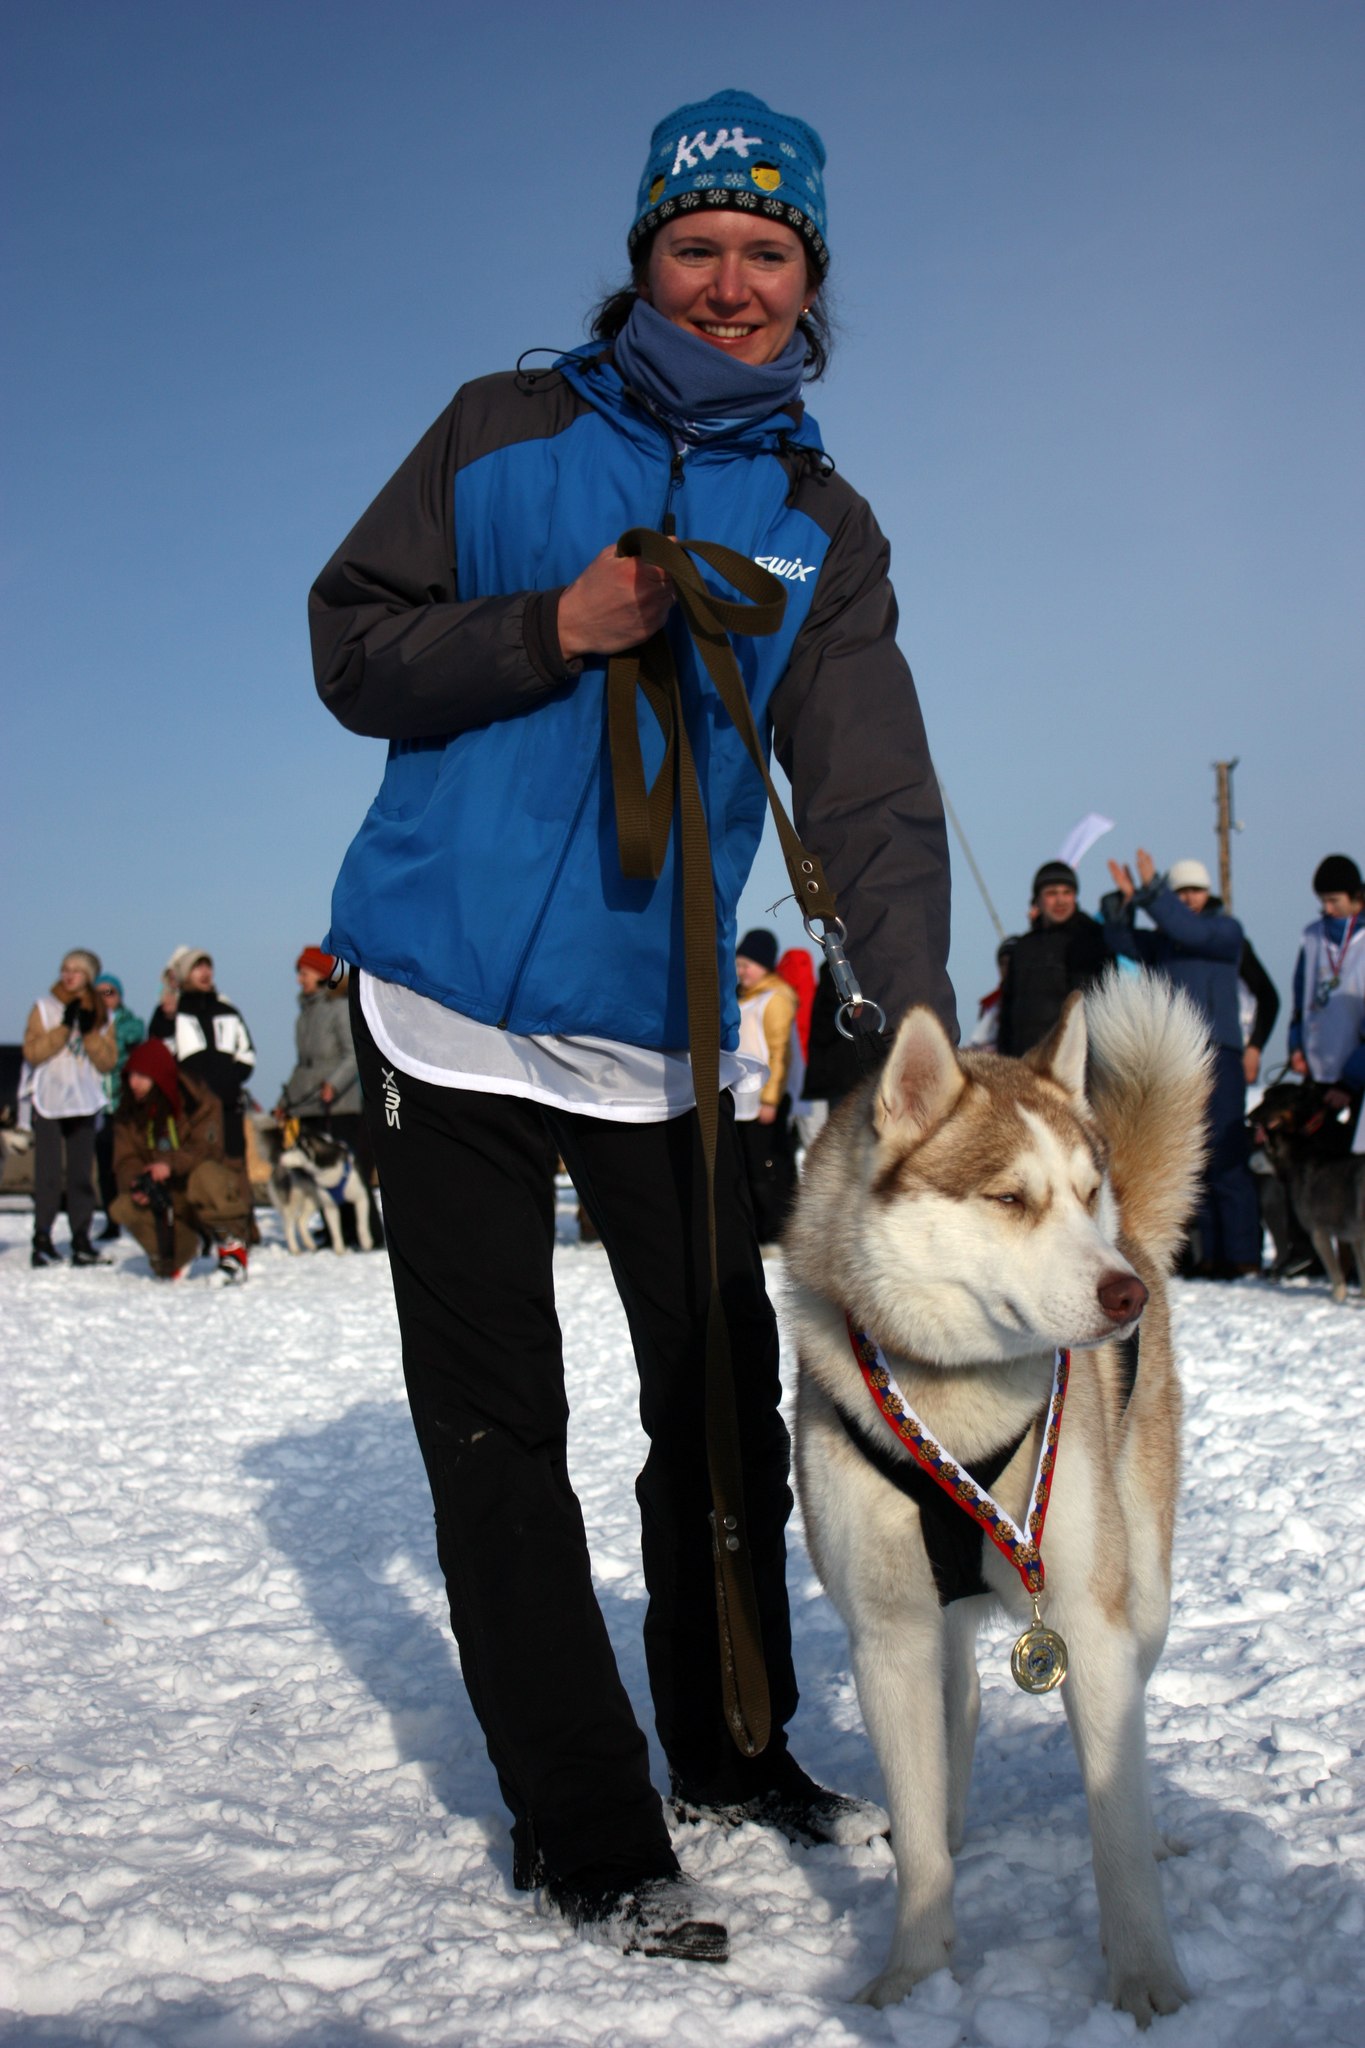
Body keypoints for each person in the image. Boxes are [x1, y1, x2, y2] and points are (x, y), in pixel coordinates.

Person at [308, 88, 953, 1959]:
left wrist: (916, 1032)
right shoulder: (496, 430)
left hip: (651, 1024)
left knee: (720, 1401)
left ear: (808, 277)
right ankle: (584, 1823)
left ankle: (733, 1745)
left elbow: (870, 790)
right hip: (439, 1006)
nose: (731, 283)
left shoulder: (820, 524)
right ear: (643, 257)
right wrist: (549, 629)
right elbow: (351, 645)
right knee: (499, 1422)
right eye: (698, 246)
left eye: (767, 252)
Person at [1104, 850, 1262, 1275]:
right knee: (1194, 1155)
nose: (1189, 898)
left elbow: (1190, 931)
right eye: (1181, 892)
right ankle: (1209, 1254)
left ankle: (1243, 1255)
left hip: (1219, 1051)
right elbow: (1122, 942)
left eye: (1196, 890)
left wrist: (1153, 892)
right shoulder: (1166, 942)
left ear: (1208, 893)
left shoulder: (1225, 931)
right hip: (1179, 1057)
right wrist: (1122, 906)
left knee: (1227, 1154)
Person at [109, 1039, 251, 1281]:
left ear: (159, 1076)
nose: (134, 1083)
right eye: (130, 1076)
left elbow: (207, 1149)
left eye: (142, 1076)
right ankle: (178, 1252)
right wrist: (138, 1182)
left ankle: (233, 1249)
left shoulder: (199, 1101)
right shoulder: (128, 1112)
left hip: (200, 1186)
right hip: (168, 1199)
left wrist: (169, 1164)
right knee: (123, 1206)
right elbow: (125, 1159)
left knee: (206, 1176)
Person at [276, 946, 380, 1247]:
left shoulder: (339, 1009)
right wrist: (285, 1103)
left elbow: (352, 1055)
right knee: (319, 1173)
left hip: (341, 1105)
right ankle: (336, 1231)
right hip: (308, 1106)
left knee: (352, 1173)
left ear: (321, 973)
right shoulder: (304, 1015)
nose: (299, 979)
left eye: (304, 973)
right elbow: (302, 1065)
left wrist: (333, 1085)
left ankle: (368, 1233)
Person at [23, 949, 119, 1268]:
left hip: (84, 1099)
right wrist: (63, 1028)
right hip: (49, 1099)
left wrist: (89, 1032)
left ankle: (81, 1238)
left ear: (88, 977)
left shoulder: (103, 1016)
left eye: (76, 970)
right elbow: (32, 1052)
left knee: (81, 1176)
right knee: (48, 1175)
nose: (68, 975)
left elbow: (107, 1062)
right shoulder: (44, 1008)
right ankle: (42, 1238)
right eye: (65, 969)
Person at [996, 860, 1110, 1057]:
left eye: (1067, 892)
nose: (1060, 900)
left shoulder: (1092, 941)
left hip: (1072, 1059)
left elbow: (1096, 1007)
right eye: (1051, 893)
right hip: (1023, 1059)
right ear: (1038, 900)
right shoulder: (1023, 948)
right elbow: (1007, 1010)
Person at [1287, 854, 1365, 1142]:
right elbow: (1301, 1000)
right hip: (1318, 1073)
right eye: (1323, 901)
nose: (1328, 909)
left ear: (1356, 897)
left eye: (1334, 900)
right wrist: (1296, 1046)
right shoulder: (1312, 936)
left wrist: (1351, 1081)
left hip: (1354, 1076)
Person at [734, 928, 802, 1242]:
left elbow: (780, 1051)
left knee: (767, 1165)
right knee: (747, 1164)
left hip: (764, 1098)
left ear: (764, 965)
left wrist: (771, 1099)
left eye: (747, 965)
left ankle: (776, 1228)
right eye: (738, 964)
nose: (741, 971)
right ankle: (756, 1226)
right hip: (742, 1097)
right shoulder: (743, 997)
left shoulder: (776, 997)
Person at [92, 972, 146, 1240]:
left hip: (124, 1106)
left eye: (109, 992)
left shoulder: (130, 1023)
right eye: (99, 993)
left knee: (128, 1163)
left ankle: (137, 1214)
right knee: (104, 1168)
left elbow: (135, 1045)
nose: (104, 998)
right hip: (97, 1106)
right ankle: (112, 1219)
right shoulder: (87, 1025)